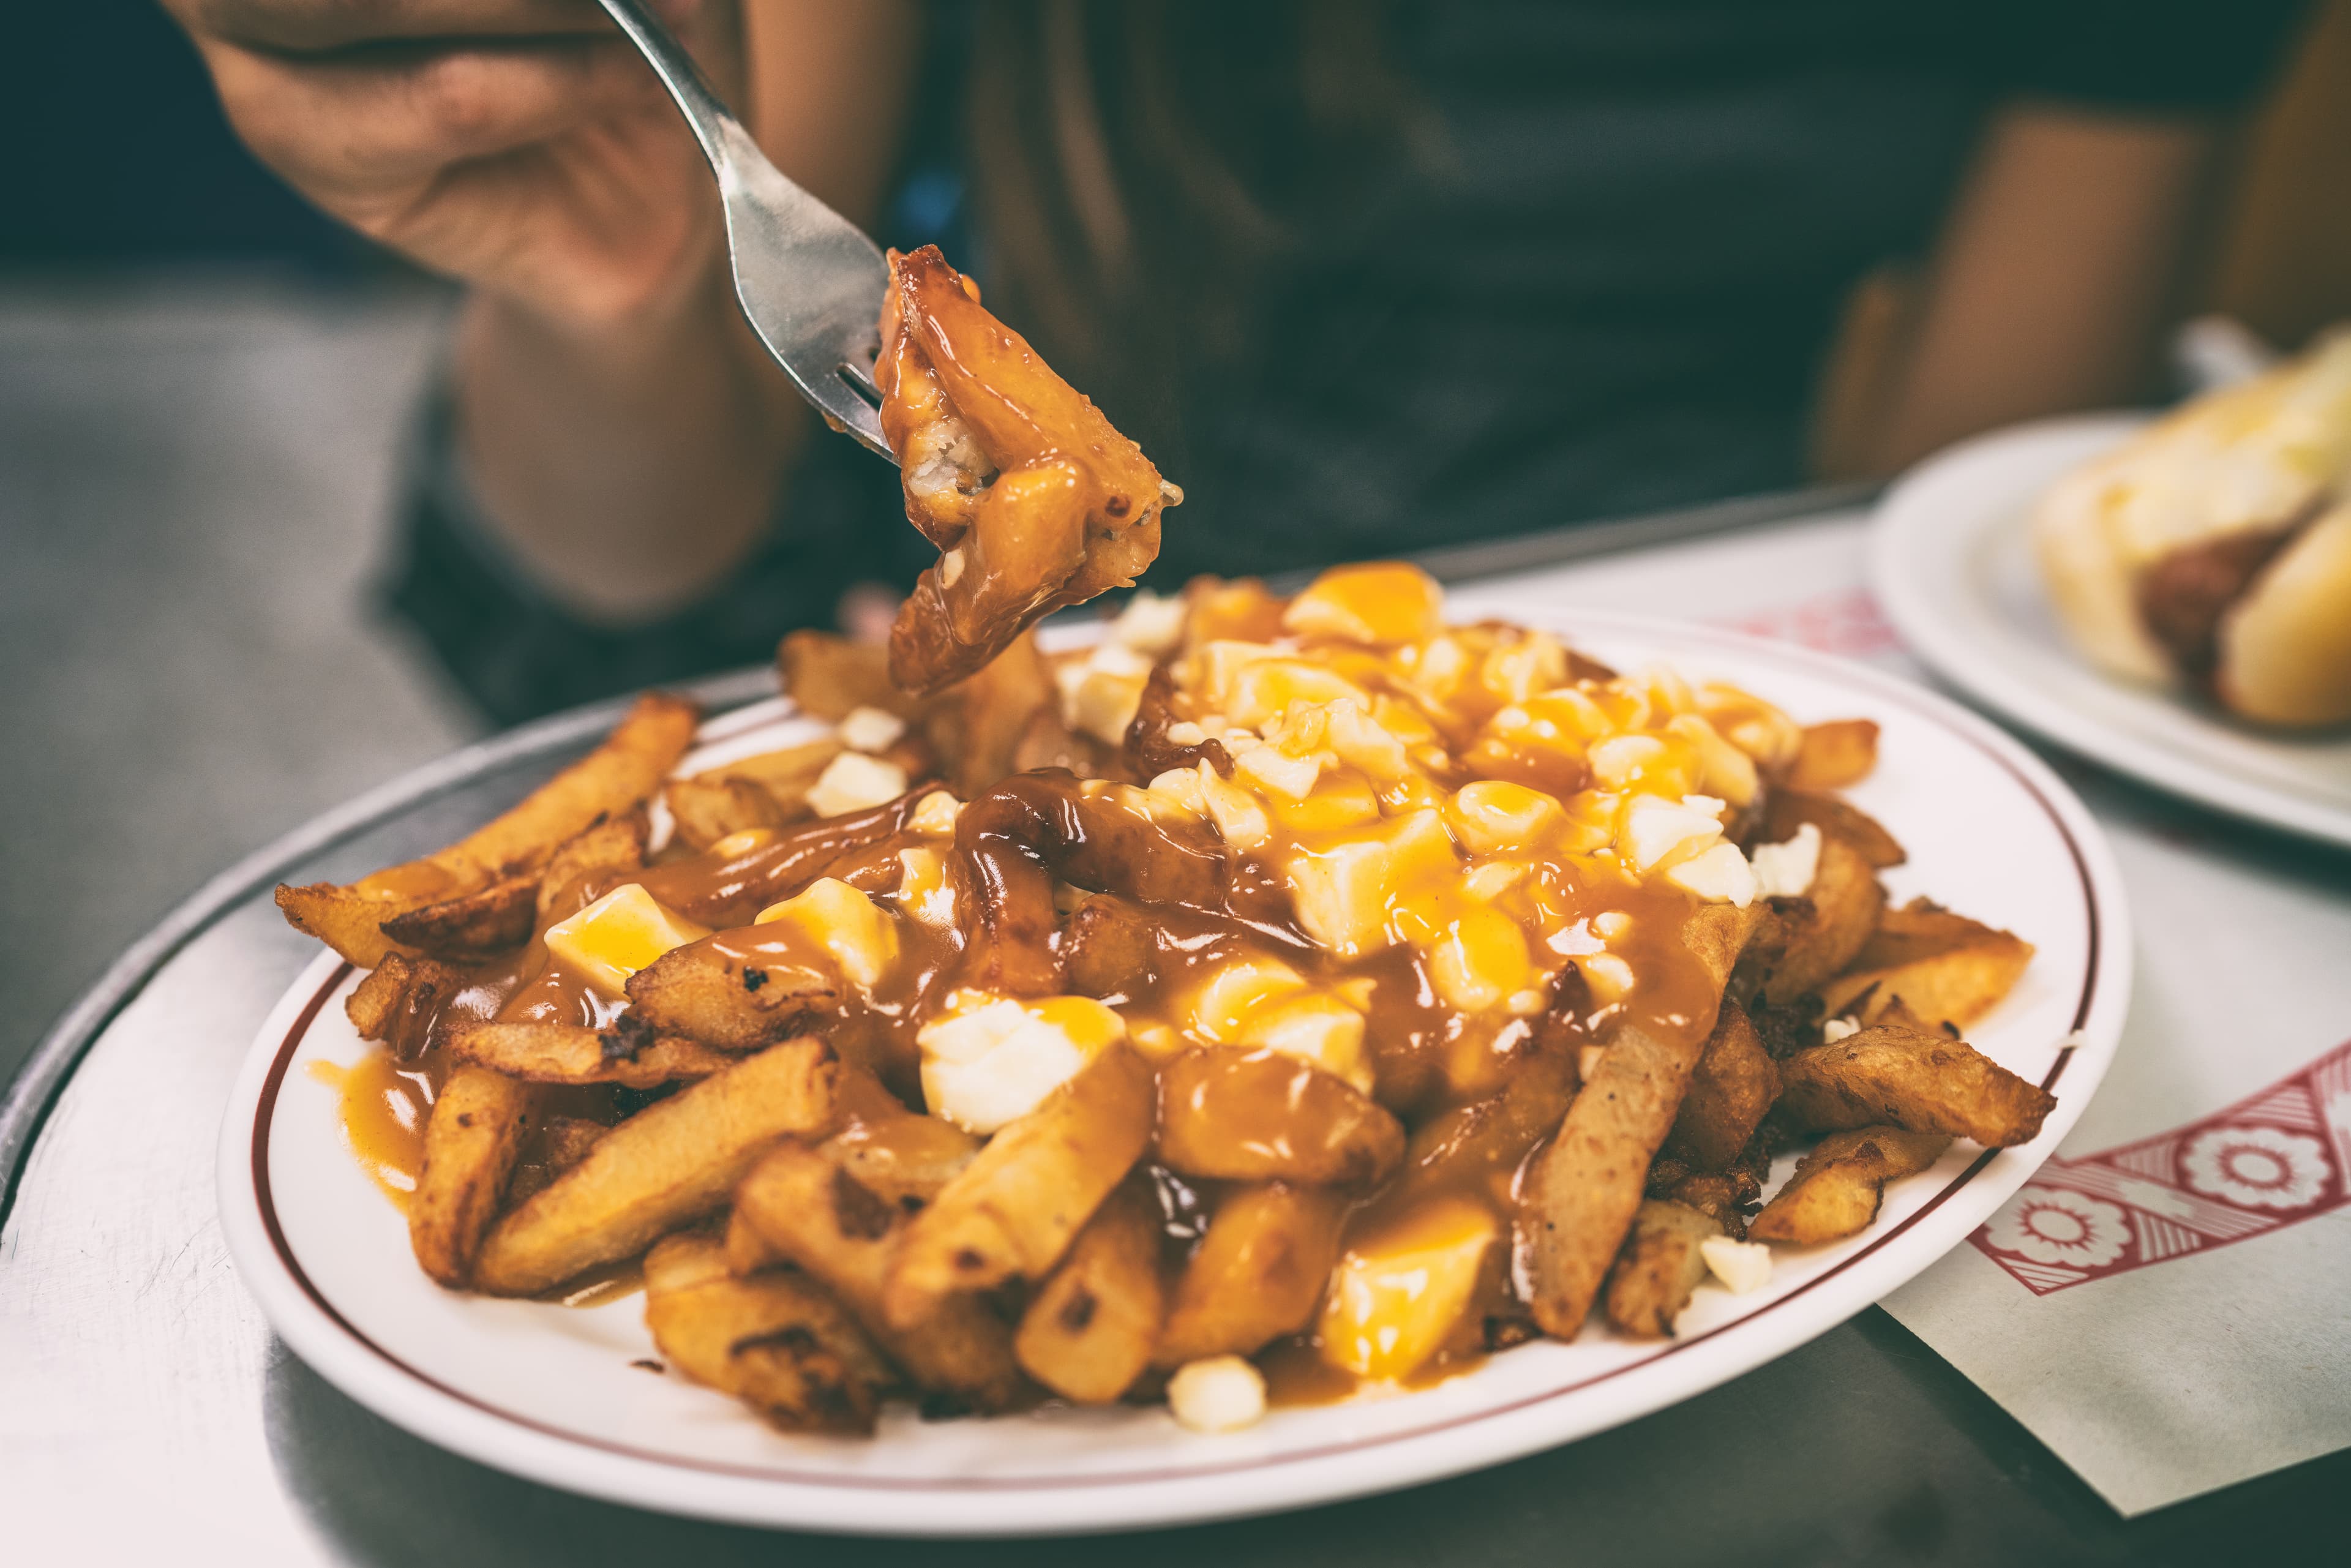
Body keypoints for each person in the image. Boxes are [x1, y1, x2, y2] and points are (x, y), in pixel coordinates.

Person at [160, 0, 2312, 723]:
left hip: (1662, 671)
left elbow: (1988, 521)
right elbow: (625, 537)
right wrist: (603, 251)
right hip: (951, 669)